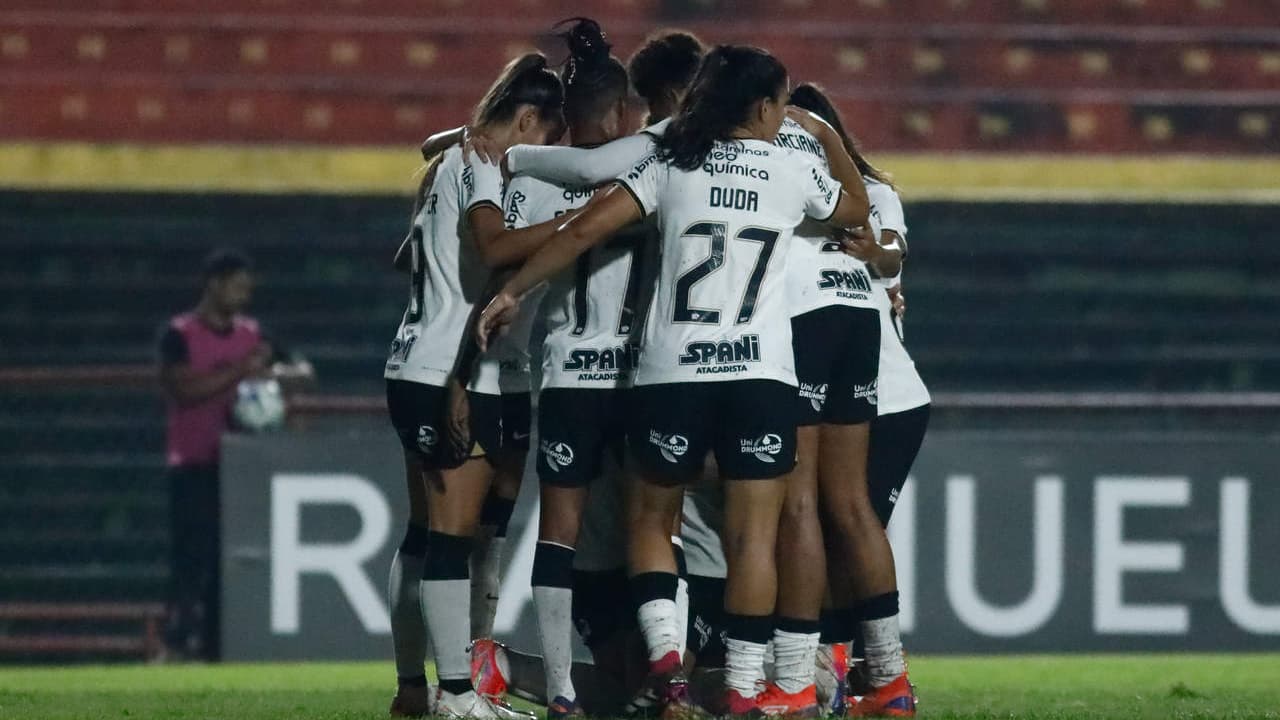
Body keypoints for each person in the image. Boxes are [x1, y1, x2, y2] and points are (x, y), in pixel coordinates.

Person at [476, 45, 871, 717]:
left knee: (654, 522)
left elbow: (582, 230)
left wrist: (513, 289)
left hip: (672, 372)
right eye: (779, 104)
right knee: (754, 536)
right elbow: (855, 207)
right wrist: (827, 134)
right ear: (764, 107)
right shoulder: (786, 168)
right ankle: (745, 692)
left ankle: (667, 664)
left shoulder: (670, 164)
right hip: (759, 375)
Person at [382, 52, 566, 719]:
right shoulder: (480, 164)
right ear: (527, 118)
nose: (543, 153)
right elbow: (493, 247)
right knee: (453, 539)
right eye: (546, 136)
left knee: (429, 535)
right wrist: (575, 227)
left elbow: (407, 255)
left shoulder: (445, 163)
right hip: (444, 368)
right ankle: (457, 695)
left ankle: (418, 688)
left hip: (411, 357)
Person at [787, 83, 917, 717]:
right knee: (838, 522)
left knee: (833, 517)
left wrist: (877, 257)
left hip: (887, 395)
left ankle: (840, 672)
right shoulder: (791, 192)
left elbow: (893, 255)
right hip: (861, 379)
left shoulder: (872, 194)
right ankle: (857, 676)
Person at [156, 248, 310, 660]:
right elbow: (184, 390)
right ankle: (174, 644)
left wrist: (272, 374)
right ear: (214, 284)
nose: (244, 295)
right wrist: (242, 371)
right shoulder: (179, 334)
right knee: (191, 559)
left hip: (241, 468)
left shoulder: (253, 334)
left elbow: (303, 371)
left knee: (227, 564)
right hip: (193, 464)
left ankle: (214, 650)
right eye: (237, 287)